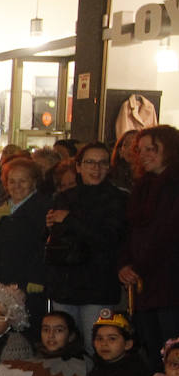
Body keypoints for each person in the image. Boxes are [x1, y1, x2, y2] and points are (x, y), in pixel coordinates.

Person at [45, 141, 128, 336]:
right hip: (65, 283)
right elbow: (53, 240)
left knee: (96, 344)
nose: (96, 168)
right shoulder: (63, 197)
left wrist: (69, 220)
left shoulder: (118, 199)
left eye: (102, 163)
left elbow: (109, 238)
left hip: (98, 284)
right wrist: (49, 227)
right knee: (64, 346)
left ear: (109, 167)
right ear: (78, 166)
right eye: (90, 162)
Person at [117, 125, 179, 371]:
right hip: (144, 284)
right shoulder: (142, 187)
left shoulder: (173, 187)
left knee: (170, 349)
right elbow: (129, 231)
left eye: (151, 149)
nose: (143, 155)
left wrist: (137, 266)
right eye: (140, 150)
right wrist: (123, 264)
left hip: (169, 283)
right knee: (151, 349)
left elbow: (167, 234)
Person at [0, 156, 49, 325]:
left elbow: (43, 246)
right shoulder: (1, 207)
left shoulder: (43, 208)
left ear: (34, 182)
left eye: (23, 181)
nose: (17, 186)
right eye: (12, 181)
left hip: (26, 282)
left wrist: (37, 277)